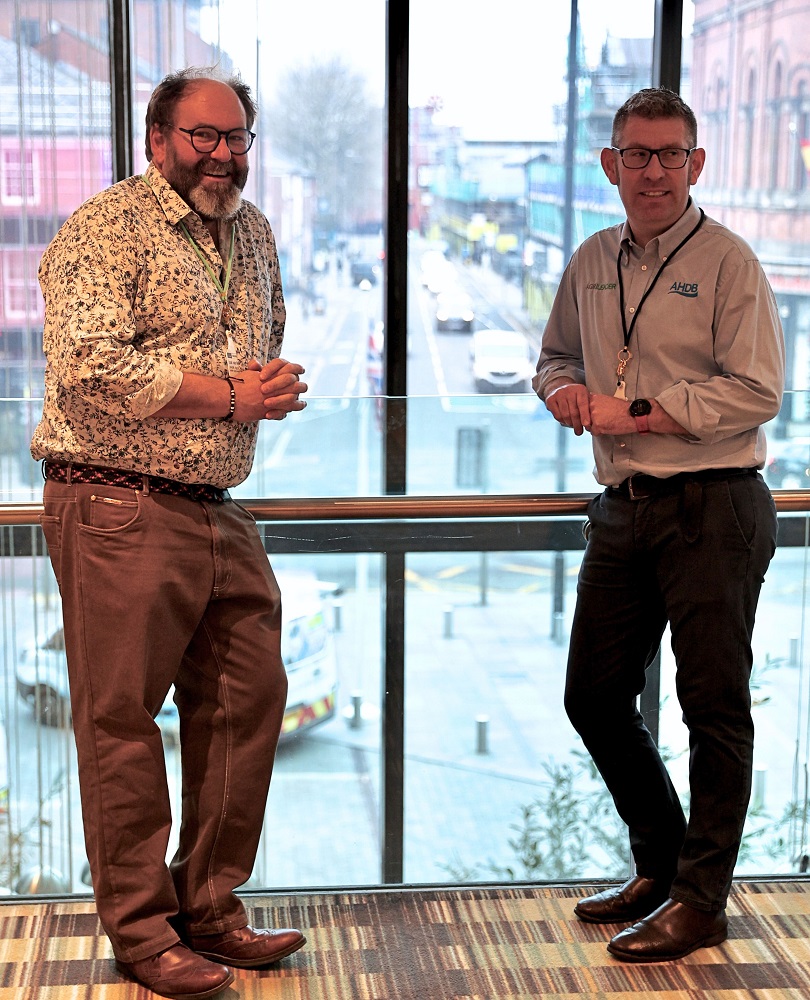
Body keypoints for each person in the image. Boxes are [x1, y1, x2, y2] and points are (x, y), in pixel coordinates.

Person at [31, 67, 309, 999]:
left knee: (247, 696)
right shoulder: (109, 229)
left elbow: (261, 340)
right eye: (204, 136)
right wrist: (233, 394)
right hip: (115, 500)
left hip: (217, 504)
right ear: (158, 139)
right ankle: (143, 933)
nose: (224, 155)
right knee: (120, 724)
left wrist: (258, 391)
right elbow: (87, 364)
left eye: (237, 138)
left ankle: (211, 908)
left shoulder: (255, 231)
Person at [534, 87, 784, 963]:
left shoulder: (728, 261)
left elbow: (758, 391)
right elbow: (554, 356)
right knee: (594, 696)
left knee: (712, 708)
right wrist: (564, 391)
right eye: (635, 155)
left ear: (696, 164)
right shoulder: (594, 257)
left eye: (669, 154)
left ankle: (701, 901)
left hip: (714, 506)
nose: (652, 171)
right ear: (609, 165)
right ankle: (666, 865)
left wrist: (634, 411)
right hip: (624, 510)